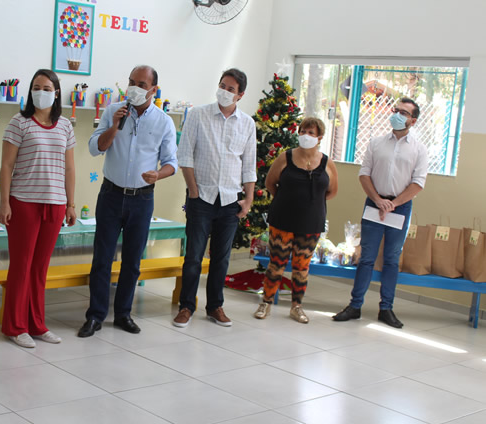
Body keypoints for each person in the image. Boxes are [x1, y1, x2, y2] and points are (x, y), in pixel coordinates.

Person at [78, 65, 178, 338]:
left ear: (153, 90)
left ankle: (123, 314)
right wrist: (114, 127)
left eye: (141, 84)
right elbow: (95, 148)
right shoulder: (113, 111)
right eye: (131, 82)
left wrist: (158, 174)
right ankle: (95, 316)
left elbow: (171, 163)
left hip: (142, 199)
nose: (134, 88)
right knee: (102, 259)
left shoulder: (164, 122)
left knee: (132, 261)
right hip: (111, 195)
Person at [0, 69, 76, 348]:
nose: (41, 92)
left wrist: (70, 203)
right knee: (22, 266)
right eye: (36, 87)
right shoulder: (19, 123)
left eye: (47, 88)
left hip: (54, 204)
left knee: (40, 268)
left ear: (56, 93)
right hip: (24, 202)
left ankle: (37, 324)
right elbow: (6, 166)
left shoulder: (65, 125)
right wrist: (4, 202)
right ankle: (15, 326)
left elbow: (69, 168)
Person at [333, 97, 428, 328]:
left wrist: (393, 204)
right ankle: (355, 305)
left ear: (413, 121)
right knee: (366, 257)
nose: (397, 115)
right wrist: (378, 200)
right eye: (396, 110)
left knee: (392, 260)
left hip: (400, 207)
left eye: (404, 113)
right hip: (374, 203)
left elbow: (418, 183)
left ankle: (386, 308)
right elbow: (364, 174)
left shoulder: (419, 149)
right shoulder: (376, 143)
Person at [173, 68, 257, 328]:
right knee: (194, 257)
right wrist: (193, 190)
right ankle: (186, 306)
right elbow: (185, 155)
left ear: (240, 95)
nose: (224, 91)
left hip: (230, 200)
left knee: (221, 259)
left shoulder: (247, 123)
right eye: (222, 86)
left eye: (231, 89)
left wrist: (248, 200)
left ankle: (215, 307)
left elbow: (249, 165)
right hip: (201, 197)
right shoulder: (198, 115)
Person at [254, 117, 338, 323]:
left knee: (302, 267)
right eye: (303, 131)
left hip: (311, 222)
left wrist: (311, 203)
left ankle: (296, 307)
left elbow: (332, 191)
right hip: (282, 219)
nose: (306, 136)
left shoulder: (327, 163)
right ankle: (266, 302)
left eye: (311, 133)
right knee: (277, 263)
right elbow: (270, 183)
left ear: (319, 137)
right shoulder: (286, 157)